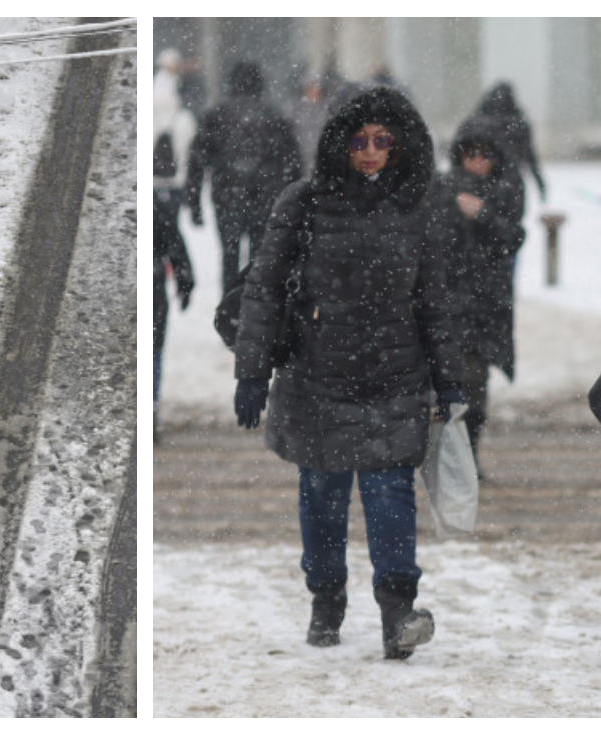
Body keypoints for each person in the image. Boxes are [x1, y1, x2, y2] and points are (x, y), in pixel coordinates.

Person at [233, 86, 464, 658]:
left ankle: (397, 612)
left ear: (401, 144)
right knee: (323, 496)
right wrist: (252, 373)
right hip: (318, 374)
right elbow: (262, 288)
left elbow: (435, 297)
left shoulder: (422, 204)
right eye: (359, 141)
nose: (370, 152)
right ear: (340, 143)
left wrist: (452, 378)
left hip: (395, 373)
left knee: (390, 496)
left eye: (383, 141)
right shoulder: (304, 202)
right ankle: (326, 600)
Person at [429, 114, 526, 475]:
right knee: (445, 387)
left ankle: (467, 456)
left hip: (485, 307)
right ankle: (446, 458)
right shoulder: (442, 190)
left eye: (486, 154)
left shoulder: (504, 190)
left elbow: (513, 237)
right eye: (471, 153)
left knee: (474, 389)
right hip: (449, 306)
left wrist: (483, 214)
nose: (478, 161)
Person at [185, 61, 303, 295]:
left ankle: (229, 306)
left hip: (227, 196)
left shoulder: (216, 114)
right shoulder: (274, 115)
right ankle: (255, 305)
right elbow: (293, 162)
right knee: (260, 257)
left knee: (229, 255)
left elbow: (197, 161)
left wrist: (194, 202)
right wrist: (295, 203)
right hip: (266, 196)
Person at [153, 73, 197, 441]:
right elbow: (174, 243)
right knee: (153, 349)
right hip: (154, 285)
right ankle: (149, 408)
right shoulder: (181, 119)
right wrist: (185, 280)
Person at [473, 81, 547, 202]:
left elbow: (463, 148)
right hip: (510, 179)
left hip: (479, 176)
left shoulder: (480, 118)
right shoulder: (517, 120)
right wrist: (539, 182)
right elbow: (529, 153)